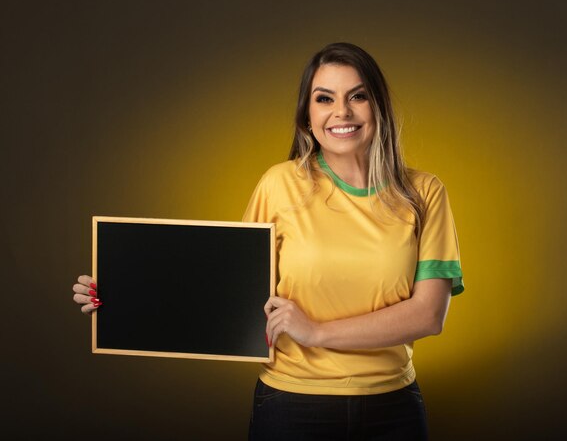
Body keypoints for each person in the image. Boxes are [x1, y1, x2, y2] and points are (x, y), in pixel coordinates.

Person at [72, 42, 464, 440]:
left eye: (357, 96)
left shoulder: (423, 193)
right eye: (324, 98)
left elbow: (428, 315)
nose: (341, 112)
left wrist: (316, 332)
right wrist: (121, 297)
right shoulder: (279, 184)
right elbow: (229, 293)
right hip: (291, 406)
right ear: (308, 118)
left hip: (393, 407)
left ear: (378, 106)